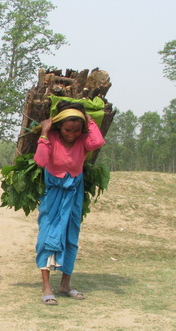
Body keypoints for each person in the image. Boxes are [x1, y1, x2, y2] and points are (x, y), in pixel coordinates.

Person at [33, 100, 106, 305]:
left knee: (70, 238)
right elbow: (40, 161)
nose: (71, 134)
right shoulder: (52, 138)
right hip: (53, 195)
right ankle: (47, 286)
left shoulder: (83, 141)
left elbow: (98, 142)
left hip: (74, 194)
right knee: (46, 238)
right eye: (67, 129)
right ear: (59, 127)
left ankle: (65, 283)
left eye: (76, 130)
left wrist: (88, 120)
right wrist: (45, 133)